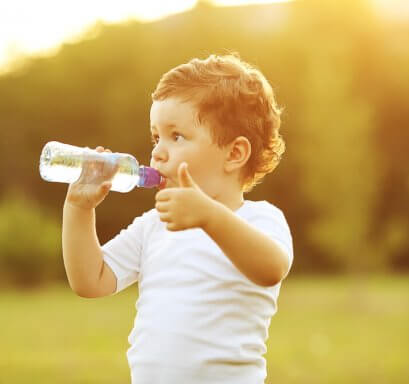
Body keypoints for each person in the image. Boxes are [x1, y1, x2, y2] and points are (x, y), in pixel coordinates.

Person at [62, 54, 294, 384]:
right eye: (156, 137)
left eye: (177, 136)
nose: (157, 152)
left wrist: (208, 216)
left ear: (234, 154)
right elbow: (91, 281)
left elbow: (271, 269)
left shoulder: (259, 219)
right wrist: (79, 209)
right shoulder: (154, 224)